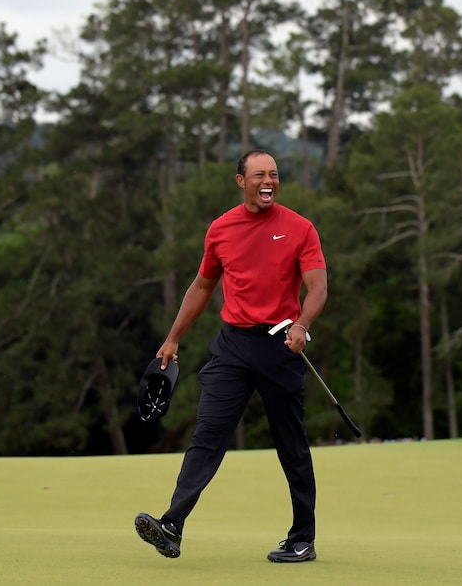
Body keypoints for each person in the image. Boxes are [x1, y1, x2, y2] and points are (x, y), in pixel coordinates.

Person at [134, 149, 328, 563]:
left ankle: (303, 538)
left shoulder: (299, 228)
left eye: (274, 174)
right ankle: (172, 526)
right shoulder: (221, 229)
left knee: (291, 444)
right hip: (233, 348)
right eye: (259, 174)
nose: (268, 181)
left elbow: (318, 287)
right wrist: (173, 338)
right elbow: (202, 287)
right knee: (207, 436)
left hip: (280, 345)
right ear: (241, 181)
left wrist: (302, 325)